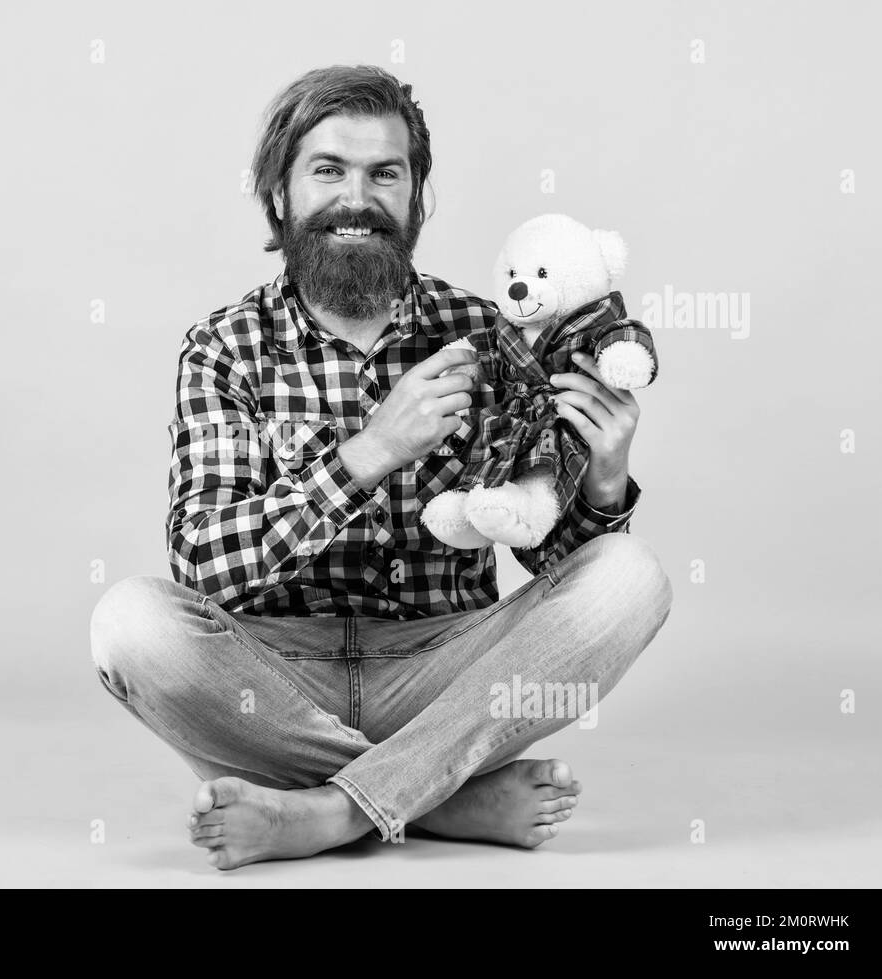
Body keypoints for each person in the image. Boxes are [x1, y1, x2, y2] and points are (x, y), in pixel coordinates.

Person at [89, 64, 673, 871]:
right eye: (327, 170)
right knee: (130, 623)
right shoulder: (225, 347)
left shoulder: (486, 331)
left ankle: (329, 809)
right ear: (280, 197)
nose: (355, 198)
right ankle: (440, 794)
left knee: (631, 575)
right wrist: (370, 452)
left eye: (384, 173)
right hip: (275, 680)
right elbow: (202, 562)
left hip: (449, 670)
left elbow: (555, 570)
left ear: (416, 198)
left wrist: (602, 478)